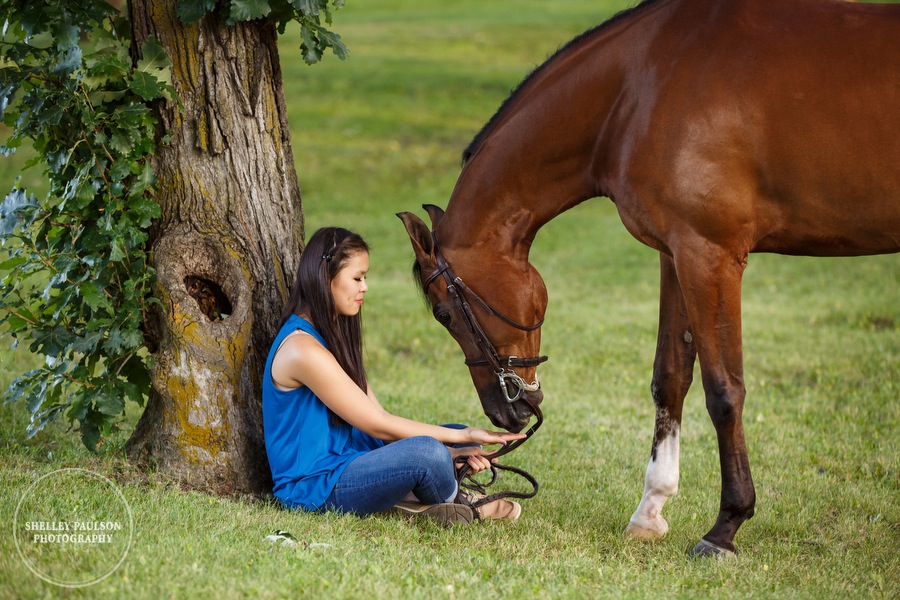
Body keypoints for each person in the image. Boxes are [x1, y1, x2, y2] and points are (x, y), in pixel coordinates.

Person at [262, 226, 525, 525]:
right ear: (325, 277)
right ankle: (459, 503)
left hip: (351, 458)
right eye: (357, 278)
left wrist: (456, 448)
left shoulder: (331, 335)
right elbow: (379, 425)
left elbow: (376, 416)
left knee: (446, 442)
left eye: (365, 278)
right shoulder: (302, 350)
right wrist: (460, 440)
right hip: (316, 488)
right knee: (428, 452)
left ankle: (418, 495)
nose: (365, 287)